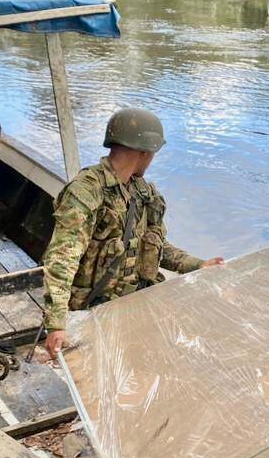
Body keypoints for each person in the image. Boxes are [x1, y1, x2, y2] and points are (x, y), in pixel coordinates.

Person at [41, 108, 223, 357]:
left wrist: (197, 265)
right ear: (145, 152)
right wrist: (57, 324)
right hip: (92, 311)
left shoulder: (143, 192)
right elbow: (62, 259)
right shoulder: (86, 193)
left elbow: (159, 246)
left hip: (135, 305)